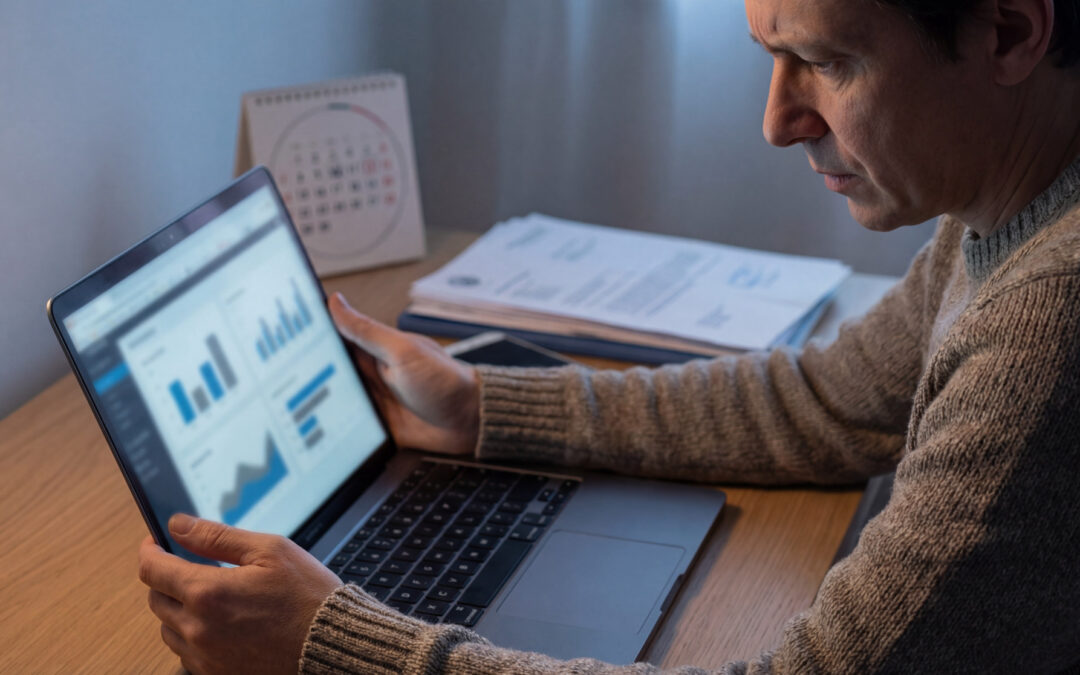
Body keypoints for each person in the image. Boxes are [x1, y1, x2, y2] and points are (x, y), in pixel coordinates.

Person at [137, 0, 1080, 672]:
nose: (777, 121)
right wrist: (484, 408)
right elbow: (836, 402)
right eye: (769, 56)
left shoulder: (1049, 324)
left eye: (828, 63)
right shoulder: (1004, 194)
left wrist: (330, 643)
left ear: (1006, 32)